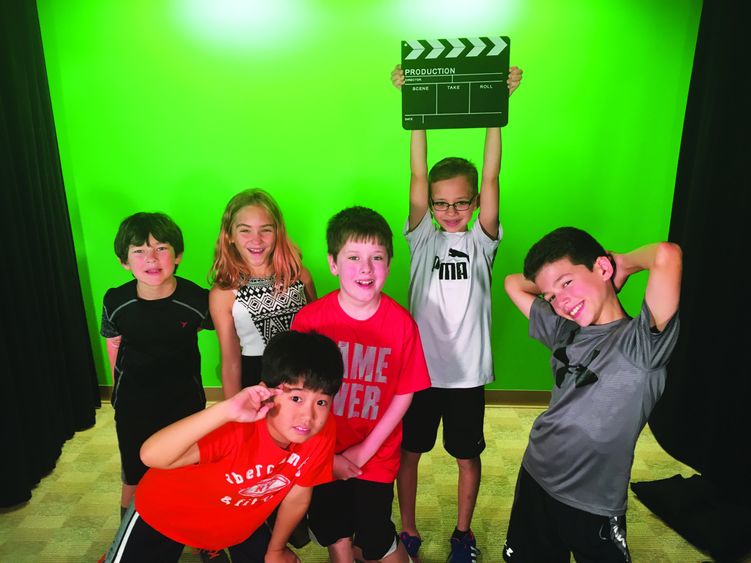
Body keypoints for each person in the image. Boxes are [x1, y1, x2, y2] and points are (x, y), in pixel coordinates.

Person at [390, 64, 522, 562]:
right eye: (440, 203)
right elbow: (417, 174)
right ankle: (408, 529)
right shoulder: (422, 237)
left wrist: (496, 113)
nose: (449, 211)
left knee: (468, 455)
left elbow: (492, 174)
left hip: (466, 375)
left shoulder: (482, 241)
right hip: (419, 372)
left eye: (459, 203)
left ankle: (462, 533)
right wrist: (414, 110)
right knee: (410, 453)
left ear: (473, 205)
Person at [502, 227, 683, 562]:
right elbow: (513, 282)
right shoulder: (563, 328)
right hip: (536, 474)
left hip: (593, 502)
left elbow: (666, 255)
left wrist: (622, 264)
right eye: (551, 297)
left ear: (602, 268)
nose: (562, 301)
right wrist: (556, 288)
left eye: (567, 283)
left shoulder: (642, 345)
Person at [103, 330, 343, 563]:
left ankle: (212, 546)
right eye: (296, 398)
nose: (308, 416)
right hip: (165, 513)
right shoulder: (236, 428)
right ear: (267, 393)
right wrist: (226, 410)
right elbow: (150, 455)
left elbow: (298, 496)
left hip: (237, 522)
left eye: (321, 401)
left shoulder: (320, 431)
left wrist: (276, 550)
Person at [291, 206, 431, 563]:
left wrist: (364, 451)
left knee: (375, 538)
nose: (366, 269)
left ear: (389, 263)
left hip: (377, 454)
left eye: (376, 257)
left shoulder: (402, 325)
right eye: (353, 257)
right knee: (334, 535)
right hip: (322, 453)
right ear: (333, 263)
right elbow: (298, 400)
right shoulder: (310, 321)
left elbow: (404, 395)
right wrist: (327, 456)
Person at [100, 212, 212, 519]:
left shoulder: (196, 299)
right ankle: (124, 540)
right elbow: (113, 342)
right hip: (134, 404)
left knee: (190, 470)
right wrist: (119, 391)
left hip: (184, 404)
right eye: (139, 251)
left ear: (178, 256)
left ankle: (205, 539)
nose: (151, 258)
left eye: (161, 248)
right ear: (125, 261)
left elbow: (230, 327)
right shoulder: (115, 300)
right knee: (134, 475)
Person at [209, 188, 316, 399]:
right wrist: (233, 417)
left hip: (305, 376)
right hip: (257, 380)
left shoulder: (299, 275)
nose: (256, 240)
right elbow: (230, 363)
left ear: (278, 232)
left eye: (265, 230)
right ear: (229, 235)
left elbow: (317, 333)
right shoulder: (223, 293)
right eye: (245, 230)